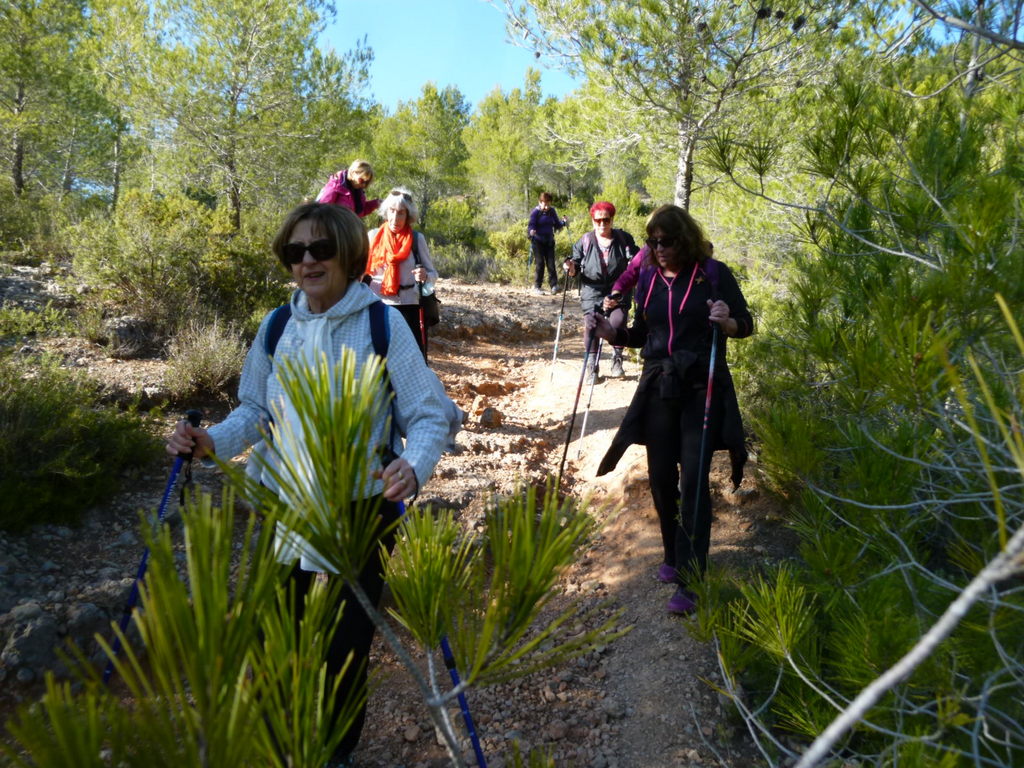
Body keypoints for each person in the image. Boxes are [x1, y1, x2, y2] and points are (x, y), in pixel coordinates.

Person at [166, 201, 450, 765]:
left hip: (360, 506)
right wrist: (211, 441)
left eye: (320, 249)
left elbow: (429, 413)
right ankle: (283, 747)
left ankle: (336, 753)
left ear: (346, 254)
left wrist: (413, 465)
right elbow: (252, 409)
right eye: (296, 251)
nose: (307, 261)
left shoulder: (381, 322)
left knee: (346, 645)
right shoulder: (277, 325)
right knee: (275, 637)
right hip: (282, 502)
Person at [588, 205, 753, 616]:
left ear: (686, 240)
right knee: (661, 478)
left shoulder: (713, 275)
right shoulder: (648, 279)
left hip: (702, 386)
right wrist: (613, 334)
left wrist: (729, 322)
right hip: (659, 384)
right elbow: (643, 334)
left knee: (695, 481)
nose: (659, 249)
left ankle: (691, 577)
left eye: (667, 241)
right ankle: (672, 552)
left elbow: (747, 322)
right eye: (653, 242)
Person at [564, 201, 639, 382]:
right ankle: (591, 365)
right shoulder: (585, 241)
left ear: (612, 219)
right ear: (592, 221)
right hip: (592, 290)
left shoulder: (624, 239)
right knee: (591, 323)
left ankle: (617, 359)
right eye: (598, 220)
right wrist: (570, 268)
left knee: (618, 321)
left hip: (618, 289)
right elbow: (575, 266)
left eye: (606, 219)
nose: (602, 224)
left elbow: (636, 261)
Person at [365, 188, 439, 359]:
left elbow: (433, 273)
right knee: (377, 358)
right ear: (386, 212)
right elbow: (361, 272)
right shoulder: (373, 237)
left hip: (409, 306)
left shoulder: (416, 239)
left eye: (401, 213)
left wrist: (425, 275)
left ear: (408, 216)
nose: (395, 218)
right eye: (392, 211)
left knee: (412, 357)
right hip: (377, 305)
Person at [527, 191, 567, 295]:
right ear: (540, 202)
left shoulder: (552, 211)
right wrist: (531, 231)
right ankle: (537, 287)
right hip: (538, 241)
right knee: (540, 264)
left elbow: (557, 224)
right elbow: (531, 225)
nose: (546, 206)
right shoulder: (535, 212)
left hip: (549, 241)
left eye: (548, 204)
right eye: (545, 204)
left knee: (551, 264)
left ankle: (554, 286)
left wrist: (564, 222)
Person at [316, 159, 381, 219]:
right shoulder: (335, 187)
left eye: (367, 182)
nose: (363, 184)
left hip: (346, 227)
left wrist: (376, 203)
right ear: (353, 173)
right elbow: (321, 210)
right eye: (361, 180)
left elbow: (359, 212)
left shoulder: (358, 192)